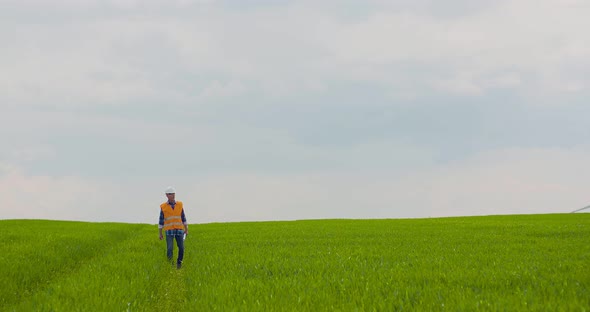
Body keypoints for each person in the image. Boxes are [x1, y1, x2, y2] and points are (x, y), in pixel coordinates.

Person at [159, 186, 188, 269]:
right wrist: (160, 233)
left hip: (179, 230)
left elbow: (183, 217)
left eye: (173, 194)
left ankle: (179, 263)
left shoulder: (180, 204)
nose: (173, 195)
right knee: (169, 249)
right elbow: (161, 221)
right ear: (167, 195)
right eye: (171, 194)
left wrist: (186, 229)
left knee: (181, 248)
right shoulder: (163, 207)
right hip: (169, 231)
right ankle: (170, 266)